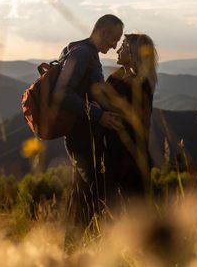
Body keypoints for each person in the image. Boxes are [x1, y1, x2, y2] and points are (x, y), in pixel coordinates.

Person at [53, 14, 123, 231]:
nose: (115, 46)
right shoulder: (83, 54)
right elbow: (61, 94)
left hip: (82, 135)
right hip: (81, 136)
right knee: (97, 192)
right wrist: (98, 115)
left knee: (82, 194)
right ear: (103, 33)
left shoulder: (84, 51)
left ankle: (72, 249)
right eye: (114, 39)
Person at [97, 33, 158, 203]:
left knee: (134, 214)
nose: (117, 50)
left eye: (123, 47)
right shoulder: (124, 79)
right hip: (120, 158)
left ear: (133, 53)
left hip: (128, 161)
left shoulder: (138, 84)